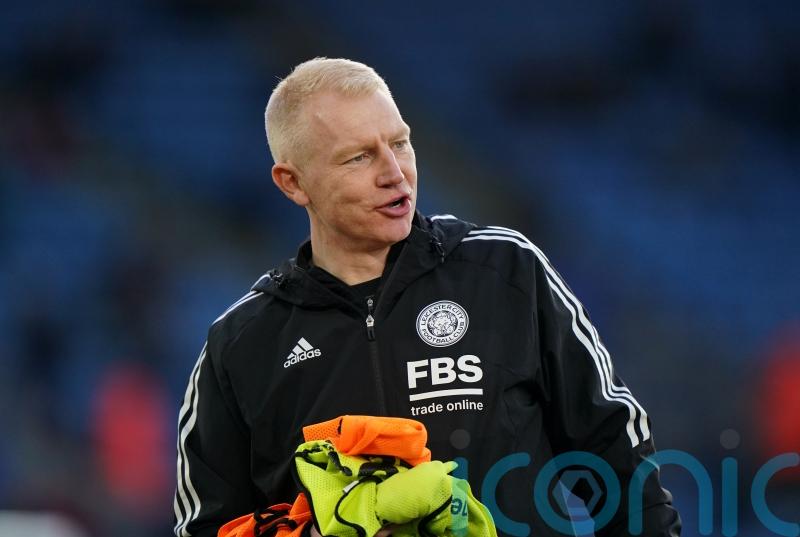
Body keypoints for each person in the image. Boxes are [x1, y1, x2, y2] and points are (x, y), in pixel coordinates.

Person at [173, 58, 681, 537]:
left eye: (400, 143)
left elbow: (615, 448)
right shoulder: (242, 345)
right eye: (359, 157)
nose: (394, 172)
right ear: (293, 183)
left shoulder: (505, 272)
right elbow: (206, 525)